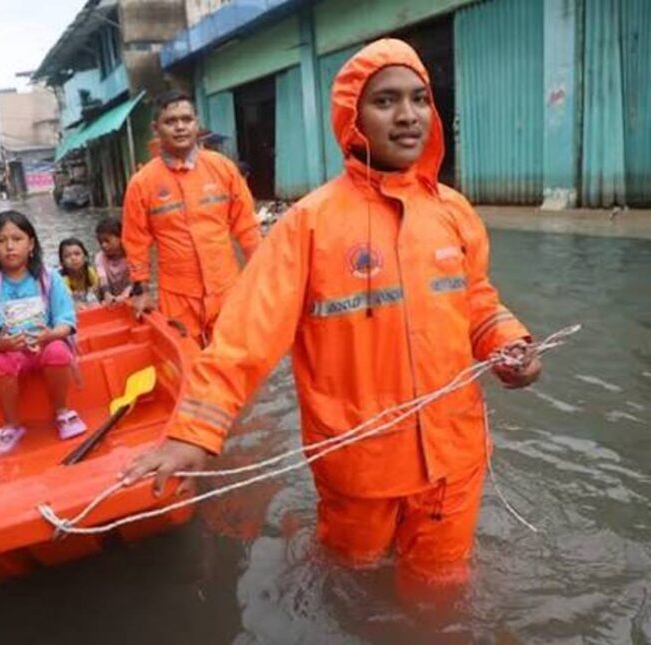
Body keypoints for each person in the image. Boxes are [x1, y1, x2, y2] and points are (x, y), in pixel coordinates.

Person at [122, 39, 542, 596]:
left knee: (442, 589)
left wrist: (509, 343)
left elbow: (477, 302)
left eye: (419, 98)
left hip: (455, 456)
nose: (409, 115)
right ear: (352, 116)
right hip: (358, 465)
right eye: (386, 101)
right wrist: (194, 432)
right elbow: (244, 339)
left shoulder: (453, 212)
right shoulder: (309, 225)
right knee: (353, 584)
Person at [122, 90, 261, 348]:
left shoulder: (223, 168)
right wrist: (140, 291)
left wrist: (262, 274)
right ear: (156, 128)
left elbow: (246, 226)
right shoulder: (142, 183)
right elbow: (135, 240)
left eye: (186, 119)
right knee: (190, 371)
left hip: (226, 287)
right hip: (177, 296)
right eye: (170, 121)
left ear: (197, 123)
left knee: (232, 363)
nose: (180, 127)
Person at [0, 210, 86, 454]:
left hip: (45, 343)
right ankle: (12, 424)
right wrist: (0, 345)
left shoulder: (49, 277)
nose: (9, 247)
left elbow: (66, 321)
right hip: (10, 350)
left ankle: (62, 412)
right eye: (1, 241)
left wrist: (50, 336)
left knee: (57, 350)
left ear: (31, 243)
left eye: (17, 239)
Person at [95, 217, 132, 306]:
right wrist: (107, 294)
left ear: (120, 238)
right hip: (109, 298)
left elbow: (135, 281)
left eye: (107, 241)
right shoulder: (100, 257)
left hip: (130, 295)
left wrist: (124, 296)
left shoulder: (131, 255)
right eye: (100, 242)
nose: (103, 245)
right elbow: (103, 280)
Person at [59, 237, 98, 307]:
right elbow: (67, 299)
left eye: (77, 254)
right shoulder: (62, 279)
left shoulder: (89, 272)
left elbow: (97, 288)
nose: (73, 258)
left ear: (85, 257)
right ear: (62, 262)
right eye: (67, 256)